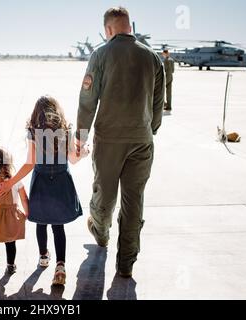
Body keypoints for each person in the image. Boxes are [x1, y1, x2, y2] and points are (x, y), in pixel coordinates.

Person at [75, 7, 165, 278]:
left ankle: (101, 234)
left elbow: (87, 100)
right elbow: (158, 104)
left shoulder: (101, 54)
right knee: (133, 200)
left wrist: (80, 137)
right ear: (128, 26)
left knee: (105, 195)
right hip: (142, 140)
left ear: (109, 29)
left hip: (110, 141)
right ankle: (126, 262)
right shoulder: (153, 58)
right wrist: (149, 131)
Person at [0, 96, 87, 286]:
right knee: (58, 226)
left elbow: (30, 163)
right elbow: (73, 159)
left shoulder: (34, 132)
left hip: (41, 184)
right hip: (62, 182)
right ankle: (60, 266)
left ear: (36, 114)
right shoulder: (65, 131)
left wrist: (10, 182)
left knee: (41, 222)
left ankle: (44, 256)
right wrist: (84, 152)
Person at [0, 138, 29, 275]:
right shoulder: (16, 181)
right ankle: (11, 265)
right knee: (10, 242)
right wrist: (26, 213)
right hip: (11, 215)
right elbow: (24, 198)